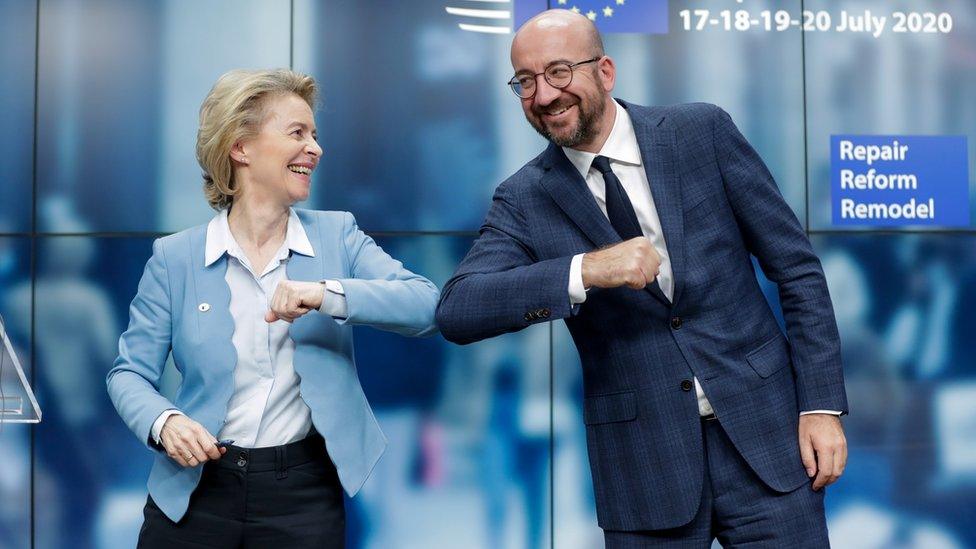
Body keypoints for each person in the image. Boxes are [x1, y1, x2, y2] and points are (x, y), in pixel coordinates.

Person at [436, 10, 848, 547]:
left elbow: (796, 268)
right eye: (526, 81)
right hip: (644, 471)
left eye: (559, 71)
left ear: (605, 71)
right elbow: (458, 310)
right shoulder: (525, 198)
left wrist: (820, 406)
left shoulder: (701, 131)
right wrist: (586, 270)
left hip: (768, 441)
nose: (543, 95)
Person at [106, 68, 439, 548]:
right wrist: (165, 422)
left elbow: (426, 304)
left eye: (316, 135)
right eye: (297, 133)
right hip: (194, 490)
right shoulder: (174, 258)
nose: (316, 149)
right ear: (240, 148)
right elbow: (128, 373)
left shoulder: (338, 235)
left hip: (302, 495)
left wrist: (326, 293)